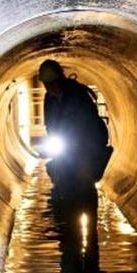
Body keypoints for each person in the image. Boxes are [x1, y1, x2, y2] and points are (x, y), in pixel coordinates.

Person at [37, 59, 111, 209]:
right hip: (67, 144)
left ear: (59, 79)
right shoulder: (49, 98)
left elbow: (87, 121)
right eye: (46, 84)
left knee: (85, 179)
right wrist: (52, 141)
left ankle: (88, 211)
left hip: (86, 142)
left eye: (51, 83)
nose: (49, 87)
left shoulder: (77, 94)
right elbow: (50, 124)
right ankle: (64, 212)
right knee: (57, 171)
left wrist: (78, 143)